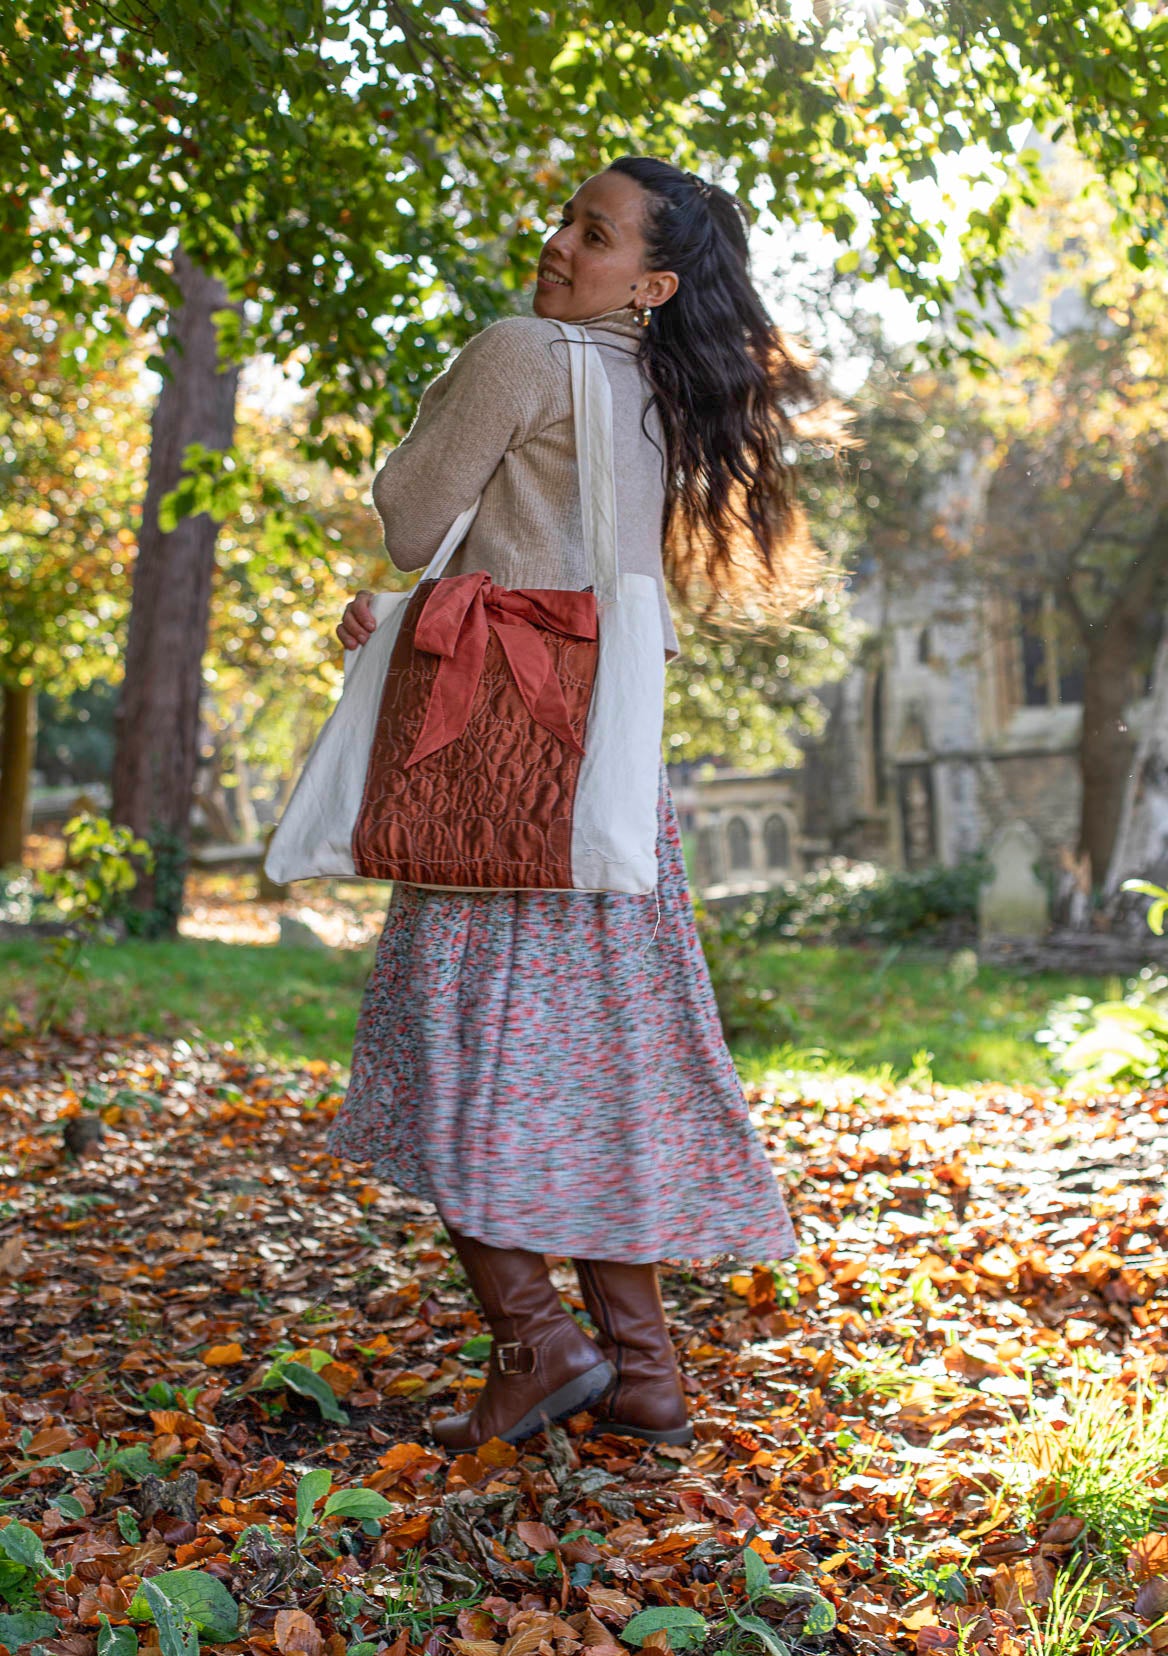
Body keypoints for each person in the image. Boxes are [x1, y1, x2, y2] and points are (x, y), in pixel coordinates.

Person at [331, 155, 825, 1452]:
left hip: (498, 769)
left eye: (594, 234)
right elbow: (565, 571)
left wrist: (418, 544)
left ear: (652, 282)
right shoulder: (664, 390)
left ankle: (537, 1342)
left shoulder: (519, 352)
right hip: (605, 782)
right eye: (566, 219)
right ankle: (645, 1373)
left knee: (448, 1054)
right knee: (599, 1069)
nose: (561, 244)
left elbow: (411, 516)